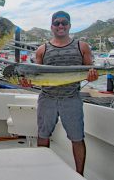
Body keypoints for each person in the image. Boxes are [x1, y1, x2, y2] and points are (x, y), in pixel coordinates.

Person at [21, 11, 98, 176]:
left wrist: (92, 77)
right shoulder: (42, 50)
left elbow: (89, 72)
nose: (60, 26)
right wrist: (28, 82)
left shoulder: (81, 46)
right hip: (47, 99)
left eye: (64, 22)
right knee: (42, 136)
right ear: (51, 27)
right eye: (57, 23)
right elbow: (36, 77)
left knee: (77, 138)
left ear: (69, 25)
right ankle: (43, 173)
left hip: (72, 99)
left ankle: (79, 175)